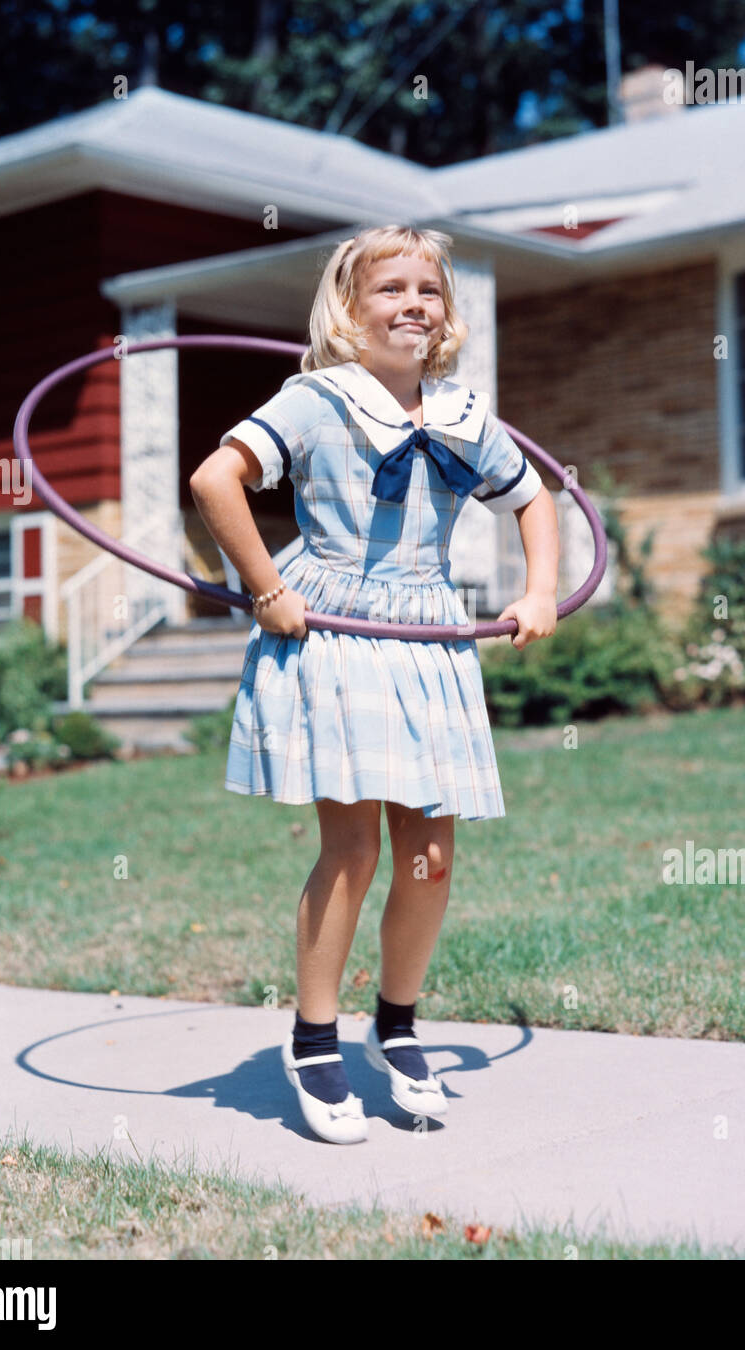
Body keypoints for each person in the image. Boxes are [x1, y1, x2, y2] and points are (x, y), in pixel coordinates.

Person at [189, 224, 559, 1144]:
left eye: (428, 290)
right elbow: (214, 479)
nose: (413, 304)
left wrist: (540, 587)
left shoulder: (464, 414)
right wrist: (265, 588)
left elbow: (536, 497)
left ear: (446, 315)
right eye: (390, 288)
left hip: (427, 631)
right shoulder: (317, 400)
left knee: (431, 858)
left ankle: (397, 1023)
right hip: (336, 629)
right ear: (348, 312)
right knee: (351, 849)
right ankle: (314, 1038)